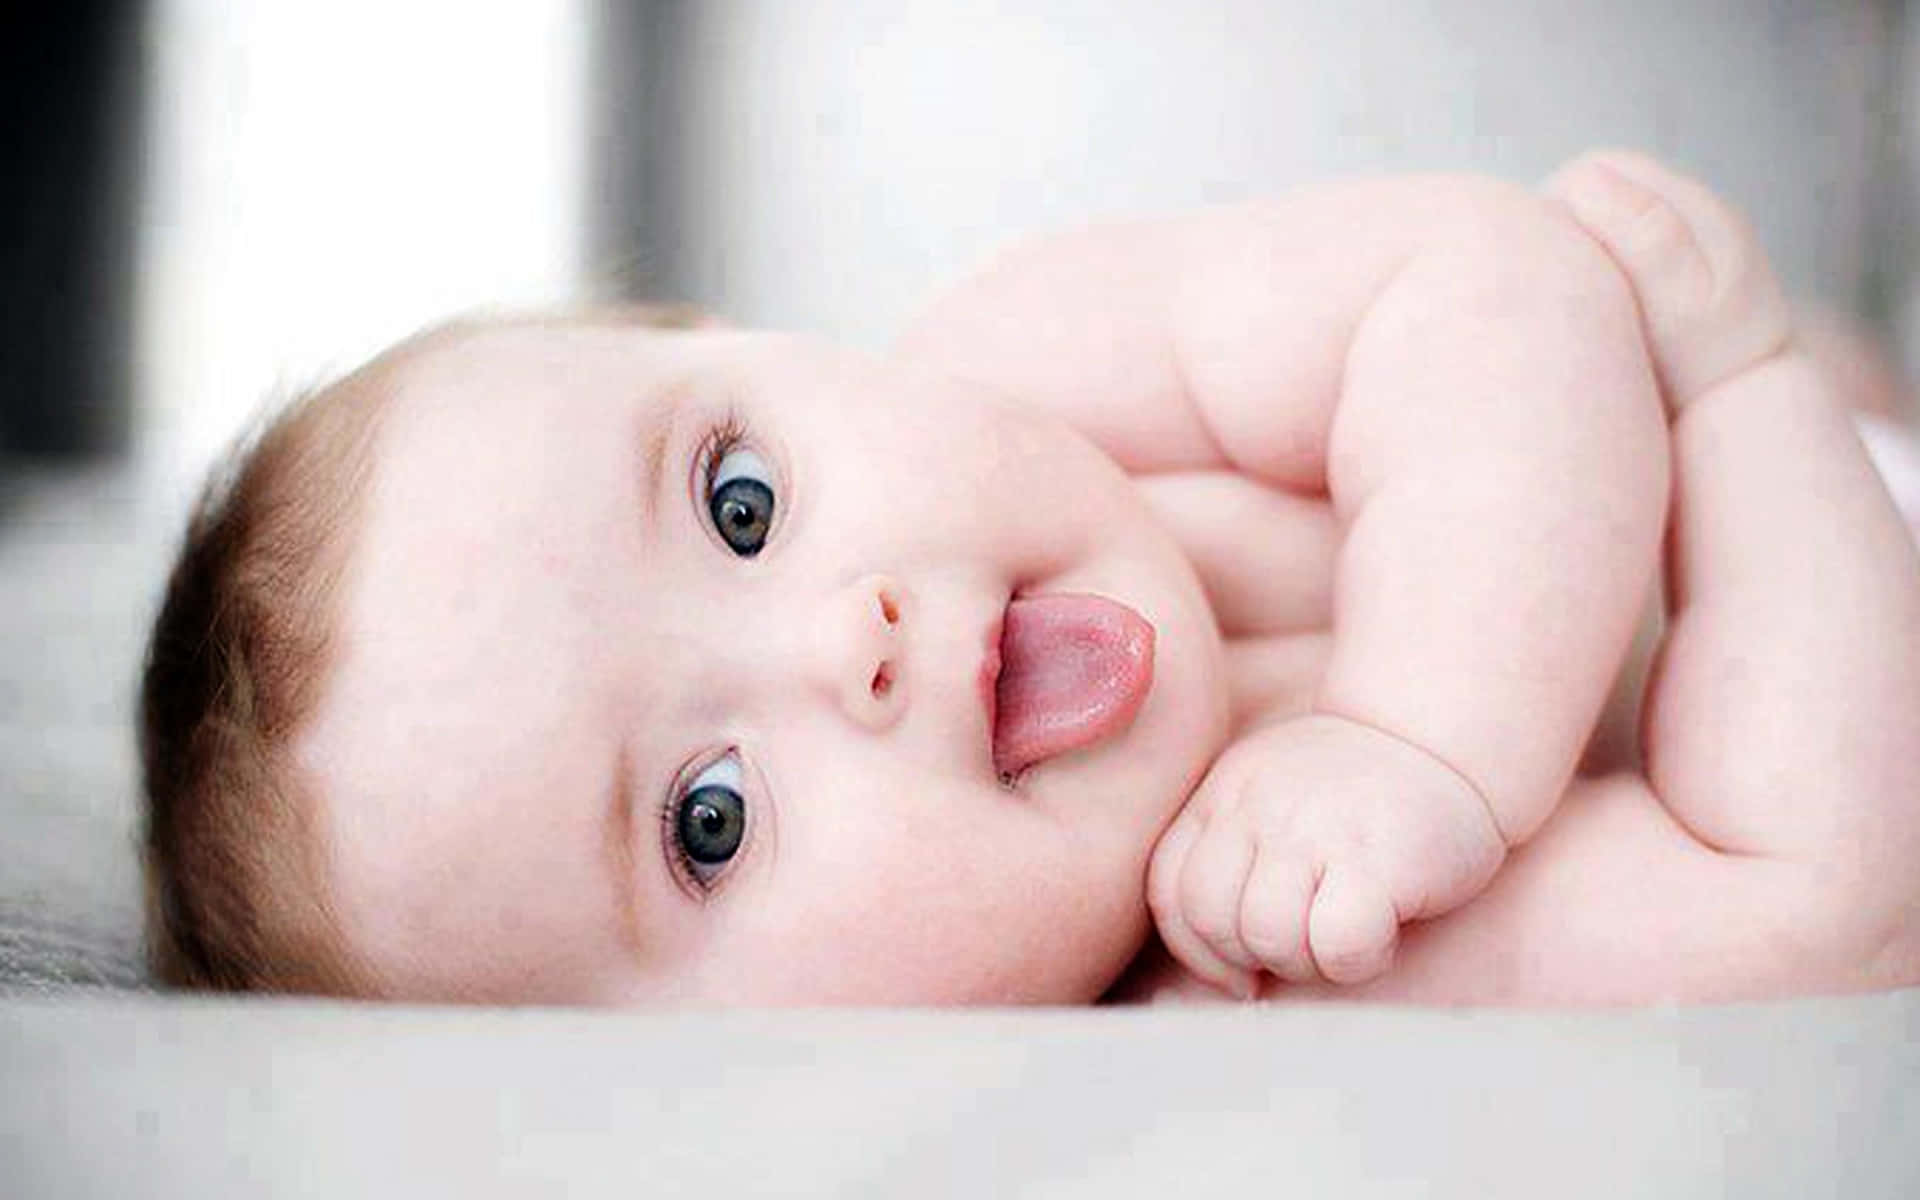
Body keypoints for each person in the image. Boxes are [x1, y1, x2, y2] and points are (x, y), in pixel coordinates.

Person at [139, 151, 1920, 1006]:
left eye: (741, 500)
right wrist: (1746, 402)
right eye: (708, 821)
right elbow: (1817, 895)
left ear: (755, 339)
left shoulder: (1030, 356)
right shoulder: (1266, 966)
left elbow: (1486, 281)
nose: (856, 639)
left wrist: (1419, 735)